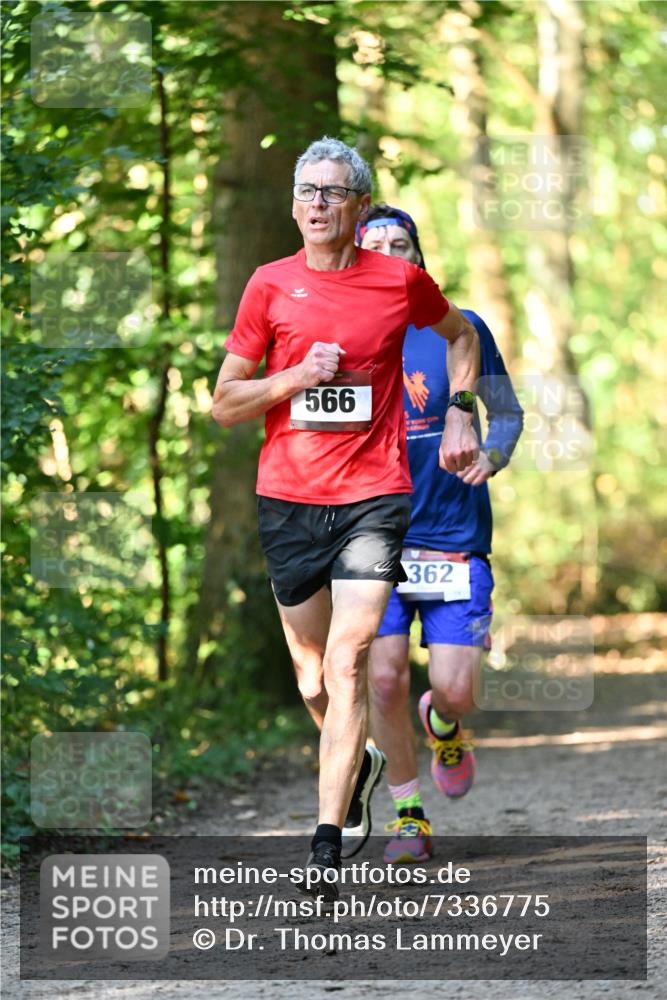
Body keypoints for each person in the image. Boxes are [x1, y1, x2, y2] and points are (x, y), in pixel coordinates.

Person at [211, 139, 480, 900]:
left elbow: (460, 335)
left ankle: (325, 843)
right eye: (307, 190)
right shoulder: (268, 287)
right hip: (289, 500)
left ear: (360, 205)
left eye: (334, 191)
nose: (318, 203)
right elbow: (223, 403)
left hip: (373, 496)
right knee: (310, 674)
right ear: (294, 204)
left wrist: (460, 410)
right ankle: (351, 754)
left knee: (348, 659)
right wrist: (297, 375)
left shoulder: (400, 283)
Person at [357, 205, 524, 864]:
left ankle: (445, 725)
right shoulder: (341, 338)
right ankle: (408, 819)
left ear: (419, 257)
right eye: (377, 247)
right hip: (373, 539)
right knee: (384, 679)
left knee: (453, 689)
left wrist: (493, 455)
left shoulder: (461, 328)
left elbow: (506, 414)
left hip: (454, 536)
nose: (392, 255)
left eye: (403, 245)